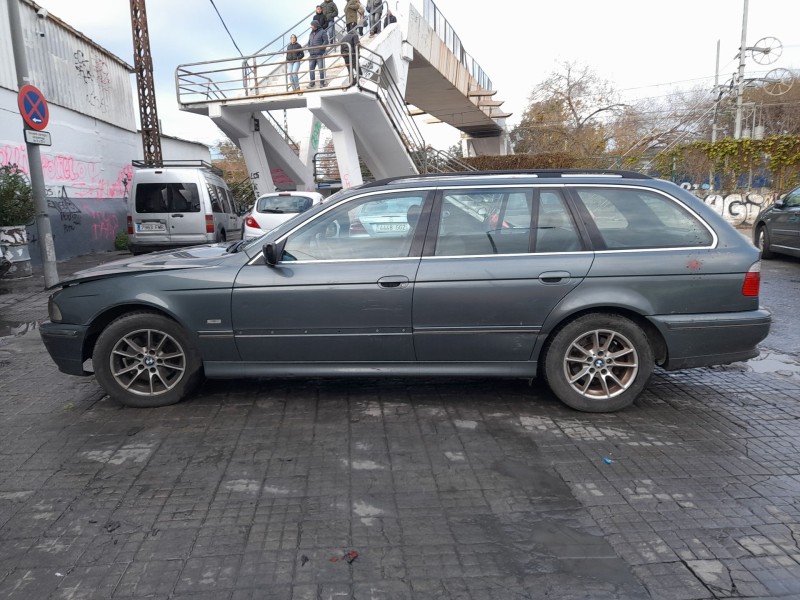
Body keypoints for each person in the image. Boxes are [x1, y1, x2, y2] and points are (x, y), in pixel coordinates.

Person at [307, 21, 329, 88]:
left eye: (312, 25)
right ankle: (312, 83)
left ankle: (322, 83)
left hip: (319, 54)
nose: (311, 27)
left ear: (315, 25)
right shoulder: (311, 33)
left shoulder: (322, 32)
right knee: (311, 69)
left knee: (320, 69)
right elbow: (309, 42)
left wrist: (321, 49)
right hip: (312, 54)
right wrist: (309, 49)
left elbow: (326, 41)